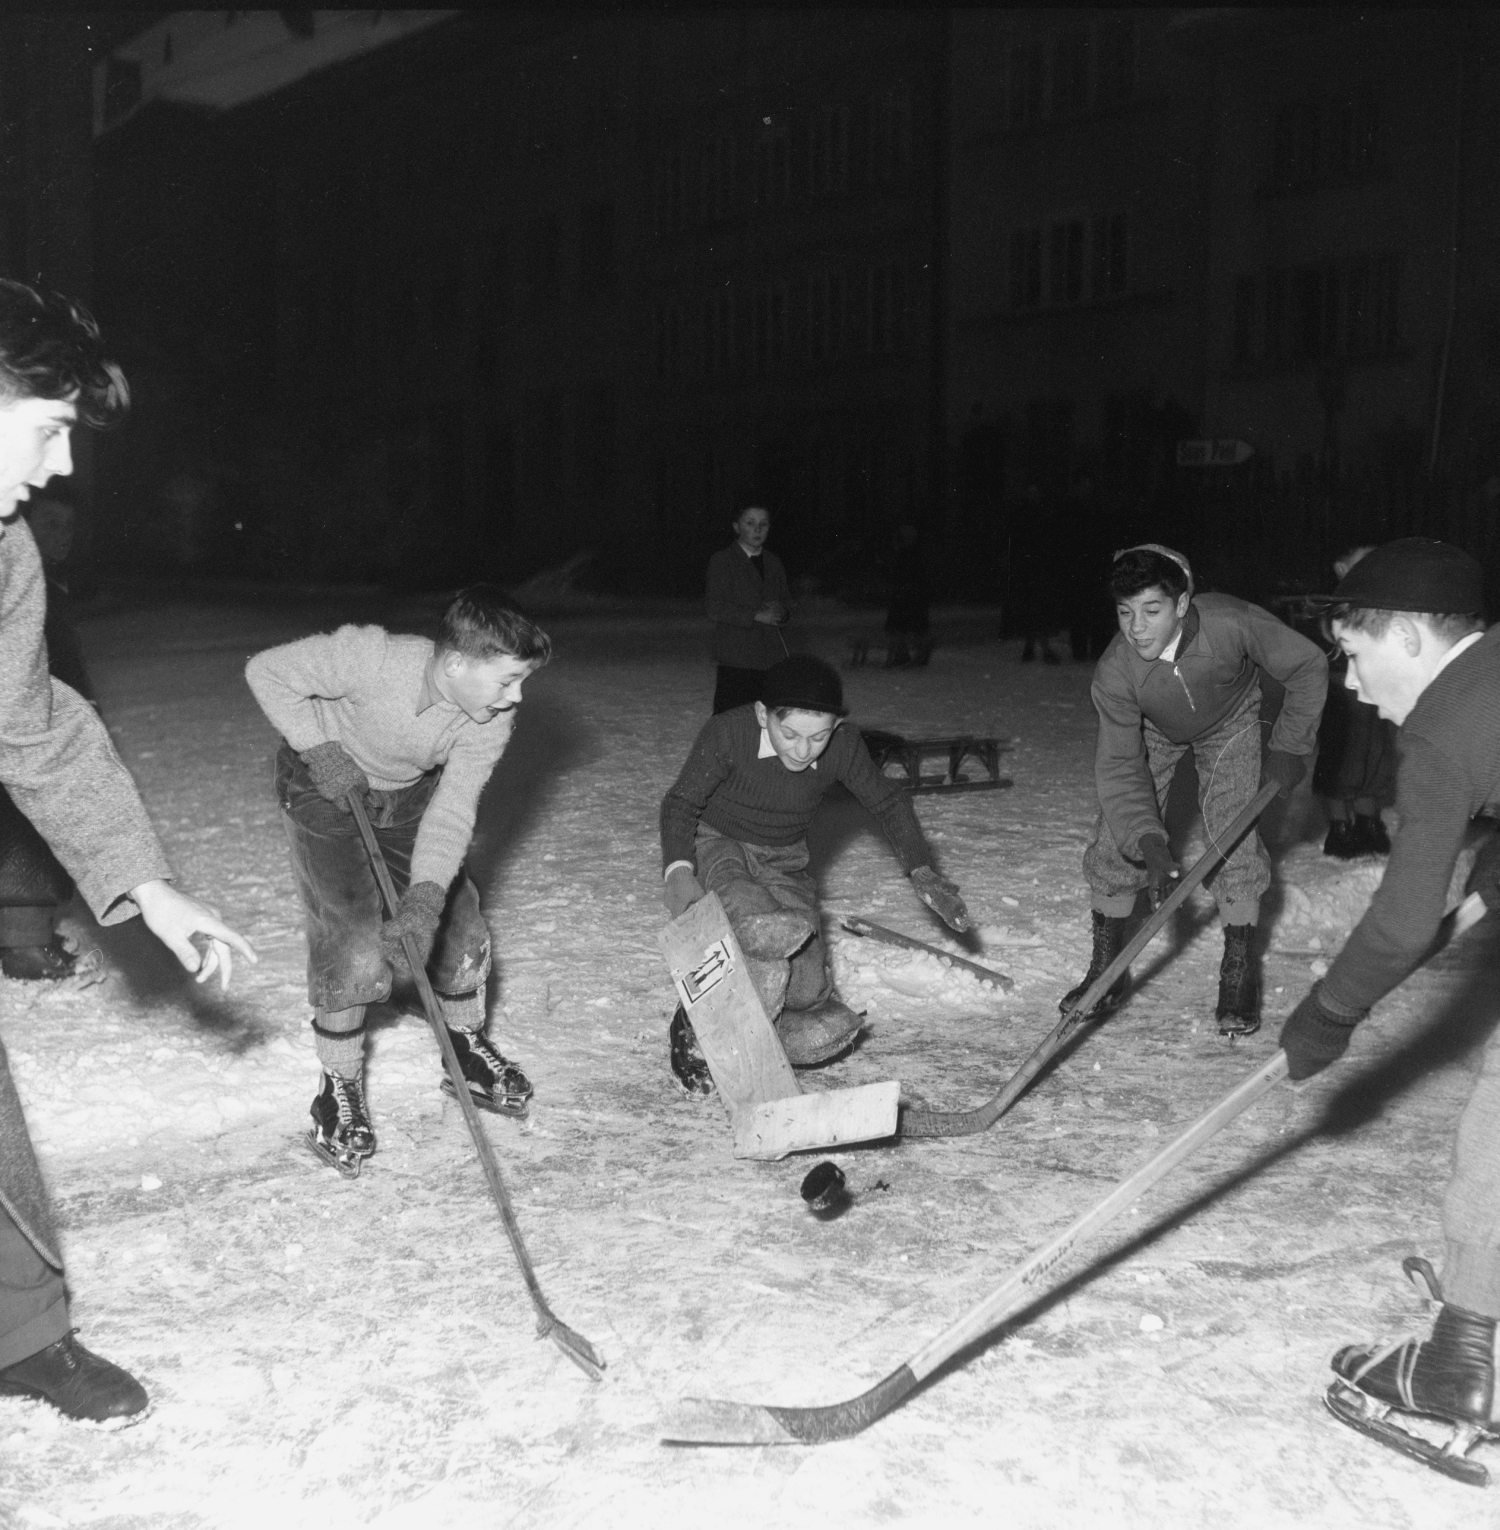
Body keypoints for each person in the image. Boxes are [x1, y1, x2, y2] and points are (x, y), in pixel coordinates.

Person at [0, 278, 256, 1425]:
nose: (58, 470)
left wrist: (144, 884)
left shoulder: (2, 558)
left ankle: (20, 1333)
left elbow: (34, 725)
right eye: (47, 427)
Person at [1277, 538, 1500, 1477]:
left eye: (1356, 656)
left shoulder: (1443, 730)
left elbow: (1405, 921)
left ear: (1409, 635)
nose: (1355, 686)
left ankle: (1464, 1363)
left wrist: (1329, 1013)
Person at [245, 587, 549, 1175]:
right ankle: (337, 1091)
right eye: (507, 679)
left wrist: (427, 897)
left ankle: (463, 1047)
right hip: (322, 785)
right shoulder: (372, 657)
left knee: (459, 927)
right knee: (356, 943)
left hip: (410, 797)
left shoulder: (490, 720)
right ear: (457, 664)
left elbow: (454, 808)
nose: (516, 696)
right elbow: (267, 671)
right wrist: (320, 748)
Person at [659, 653, 969, 1094]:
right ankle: (692, 1027)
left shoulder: (843, 746)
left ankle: (782, 1033)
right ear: (763, 714)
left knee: (804, 984)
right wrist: (677, 869)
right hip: (719, 839)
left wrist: (921, 869)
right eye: (790, 734)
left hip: (785, 855)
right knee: (750, 916)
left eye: (818, 736)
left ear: (836, 727)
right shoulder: (728, 733)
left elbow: (888, 801)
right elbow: (681, 803)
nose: (804, 751)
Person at [1063, 543, 1327, 1035]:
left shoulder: (1232, 622)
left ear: (1183, 604)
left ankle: (1239, 972)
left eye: (1152, 610)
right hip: (1155, 729)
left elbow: (1309, 666)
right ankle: (1107, 969)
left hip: (1230, 721)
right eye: (1125, 612)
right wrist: (1149, 842)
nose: (1136, 627)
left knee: (1233, 831)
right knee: (1115, 838)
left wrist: (1291, 745)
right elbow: (1120, 766)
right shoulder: (1116, 672)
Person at [0, 496, 101, 982]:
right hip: (25, 728)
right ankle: (24, 945)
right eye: (52, 523)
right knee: (28, 829)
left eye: (70, 524)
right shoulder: (23, 584)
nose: (65, 534)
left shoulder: (43, 583)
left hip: (38, 720)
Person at [1313, 546, 1398, 858]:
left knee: (1375, 756)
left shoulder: (1381, 602)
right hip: (1341, 689)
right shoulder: (1334, 605)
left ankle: (1368, 821)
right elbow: (1331, 643)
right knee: (1342, 757)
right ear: (1341, 569)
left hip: (1375, 688)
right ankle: (1340, 827)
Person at [705, 505, 791, 714]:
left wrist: (782, 613)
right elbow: (714, 607)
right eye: (750, 523)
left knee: (769, 723)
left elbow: (786, 602)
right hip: (737, 658)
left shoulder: (773, 561)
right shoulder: (722, 560)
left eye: (763, 524)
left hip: (770, 658)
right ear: (736, 527)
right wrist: (757, 615)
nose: (757, 530)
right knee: (732, 722)